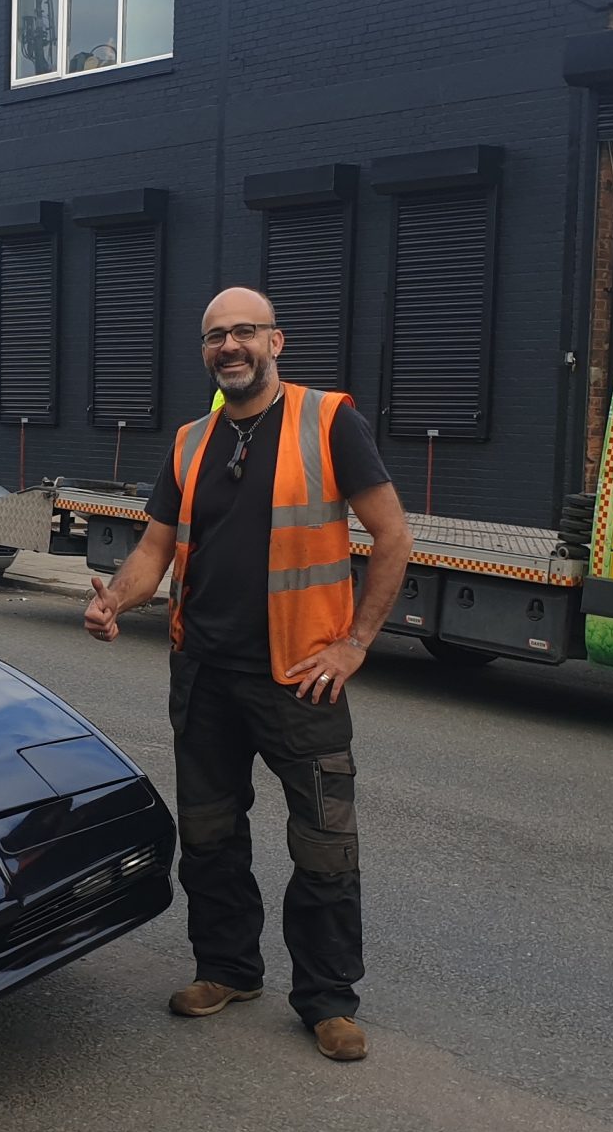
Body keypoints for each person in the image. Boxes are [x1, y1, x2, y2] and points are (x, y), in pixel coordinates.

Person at [82, 288, 411, 1061]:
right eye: (214, 336)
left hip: (301, 676)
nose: (229, 346)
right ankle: (227, 970)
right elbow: (156, 546)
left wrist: (356, 643)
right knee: (209, 834)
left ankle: (327, 1000)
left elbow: (393, 535)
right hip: (204, 672)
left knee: (325, 842)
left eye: (243, 332)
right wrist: (116, 600)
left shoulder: (328, 421)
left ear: (275, 342)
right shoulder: (192, 440)